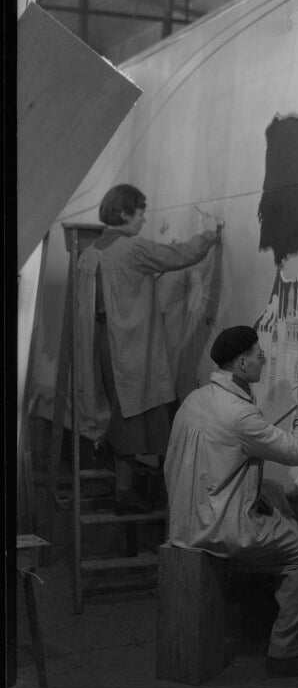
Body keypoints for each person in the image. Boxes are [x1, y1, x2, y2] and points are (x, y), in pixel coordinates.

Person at [164, 325, 298, 677]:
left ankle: (261, 604)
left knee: (271, 489)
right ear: (242, 365)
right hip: (215, 528)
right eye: (260, 356)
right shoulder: (240, 414)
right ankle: (288, 651)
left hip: (185, 514)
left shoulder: (198, 398)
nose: (265, 359)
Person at [77, 183, 222, 514]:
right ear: (125, 212)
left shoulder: (91, 252)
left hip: (104, 345)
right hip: (130, 348)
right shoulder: (130, 249)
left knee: (124, 413)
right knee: (140, 412)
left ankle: (127, 489)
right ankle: (140, 494)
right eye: (140, 211)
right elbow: (182, 256)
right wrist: (210, 234)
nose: (144, 219)